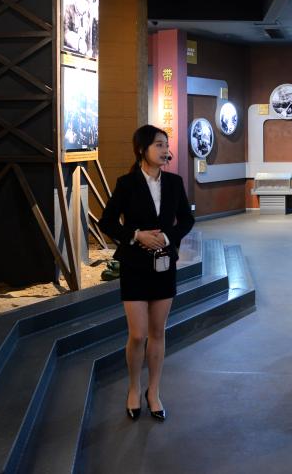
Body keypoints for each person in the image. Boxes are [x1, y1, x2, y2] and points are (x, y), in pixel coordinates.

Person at [99, 125, 195, 422]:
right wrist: (136, 235)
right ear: (142, 149)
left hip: (164, 264)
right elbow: (106, 222)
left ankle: (153, 392)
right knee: (138, 334)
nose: (165, 150)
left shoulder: (175, 182)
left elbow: (187, 220)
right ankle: (133, 387)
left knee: (157, 333)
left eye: (166, 145)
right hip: (134, 266)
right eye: (158, 145)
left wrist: (166, 237)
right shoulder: (126, 183)